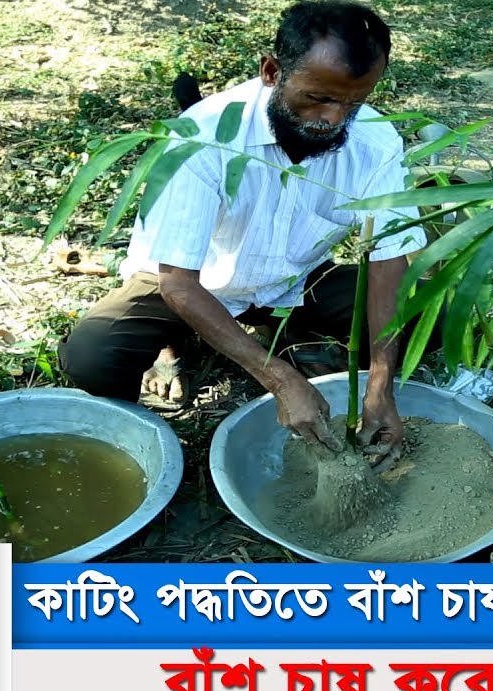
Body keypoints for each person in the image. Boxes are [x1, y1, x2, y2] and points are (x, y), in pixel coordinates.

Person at [58, 0, 434, 472]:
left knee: (429, 319)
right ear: (272, 71)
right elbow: (179, 283)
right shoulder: (202, 137)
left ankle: (291, 334)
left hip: (297, 279)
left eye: (353, 103)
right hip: (194, 284)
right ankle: (179, 345)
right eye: (318, 98)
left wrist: (381, 382)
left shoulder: (375, 143)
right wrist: (280, 380)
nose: (334, 119)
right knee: (93, 356)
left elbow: (388, 259)